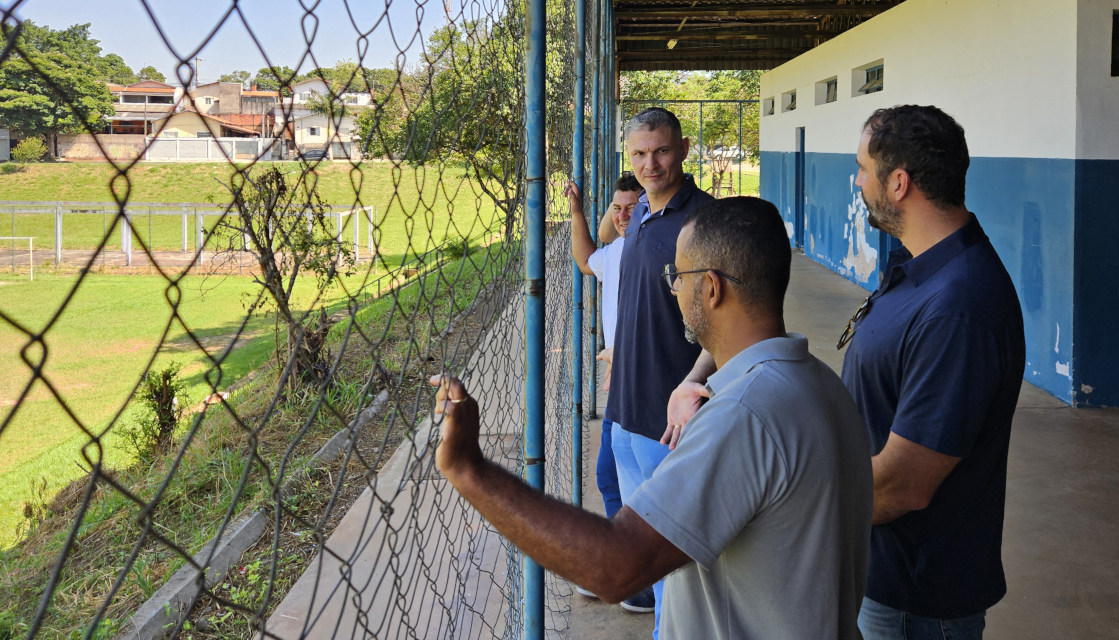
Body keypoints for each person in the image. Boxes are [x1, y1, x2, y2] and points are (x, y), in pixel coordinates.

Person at [429, 197, 873, 640]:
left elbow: (617, 567)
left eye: (677, 277)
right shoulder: (822, 386)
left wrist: (470, 469)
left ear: (712, 288)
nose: (674, 289)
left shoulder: (743, 415)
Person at [842, 105, 1025, 639]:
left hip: (913, 599)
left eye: (862, 168)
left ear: (898, 183)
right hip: (883, 575)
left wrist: (798, 500)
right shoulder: (922, 266)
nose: (857, 181)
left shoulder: (959, 307)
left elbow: (903, 485)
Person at [598, 107, 717, 626]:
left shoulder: (706, 221)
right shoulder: (641, 212)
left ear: (684, 149)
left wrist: (693, 382)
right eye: (640, 154)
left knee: (674, 559)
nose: (651, 164)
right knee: (641, 541)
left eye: (662, 151)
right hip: (624, 409)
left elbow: (729, 321)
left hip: (667, 419)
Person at [564, 173, 640, 520]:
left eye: (632, 208)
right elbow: (586, 261)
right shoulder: (619, 249)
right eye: (617, 209)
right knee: (611, 478)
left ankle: (631, 559)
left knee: (623, 480)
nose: (622, 216)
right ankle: (627, 555)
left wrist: (623, 352)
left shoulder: (653, 251)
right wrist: (576, 211)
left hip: (640, 379)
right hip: (621, 380)